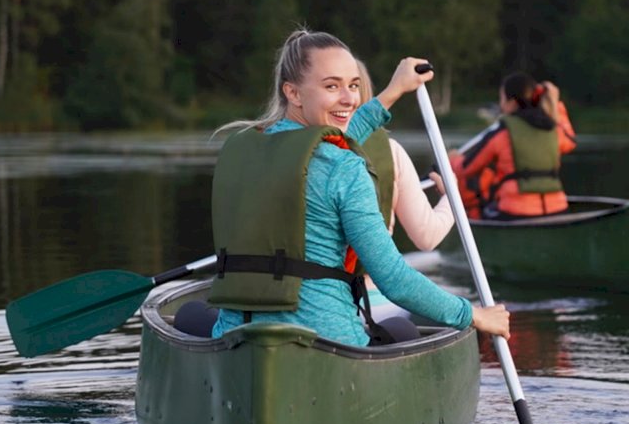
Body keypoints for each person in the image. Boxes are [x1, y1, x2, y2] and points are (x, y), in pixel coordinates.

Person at [176, 28, 509, 346]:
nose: (350, 98)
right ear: (292, 92)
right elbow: (394, 279)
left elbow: (337, 136)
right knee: (401, 329)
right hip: (324, 338)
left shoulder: (248, 150)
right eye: (332, 87)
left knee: (190, 313)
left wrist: (393, 91)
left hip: (239, 332)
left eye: (353, 85)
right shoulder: (346, 167)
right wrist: (474, 314)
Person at [355, 59, 454, 252]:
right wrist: (452, 195)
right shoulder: (391, 153)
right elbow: (427, 237)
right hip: (369, 280)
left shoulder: (297, 149)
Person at [450, 71, 577, 220]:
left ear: (512, 103)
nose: (501, 105)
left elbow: (466, 169)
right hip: (557, 209)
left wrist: (452, 160)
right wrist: (555, 103)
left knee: (470, 182)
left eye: (502, 99)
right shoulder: (552, 129)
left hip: (515, 212)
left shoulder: (503, 132)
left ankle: (472, 227)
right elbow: (570, 142)